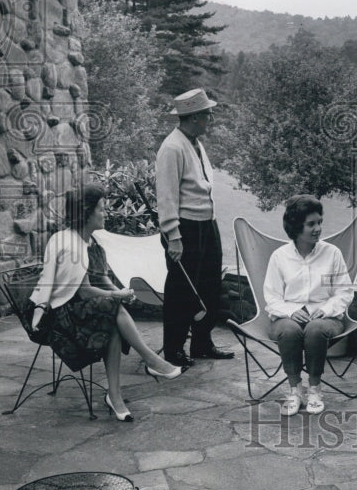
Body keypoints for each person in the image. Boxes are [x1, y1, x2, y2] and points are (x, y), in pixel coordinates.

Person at [29, 185, 183, 423]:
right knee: (110, 308)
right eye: (101, 209)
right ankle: (150, 361)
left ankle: (116, 395)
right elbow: (84, 290)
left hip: (83, 308)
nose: (106, 213)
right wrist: (115, 297)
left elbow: (100, 280)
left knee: (111, 315)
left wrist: (120, 292)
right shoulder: (68, 243)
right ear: (86, 212)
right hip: (58, 315)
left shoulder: (92, 244)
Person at [155, 88, 235, 367]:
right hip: (185, 229)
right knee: (180, 292)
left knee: (211, 285)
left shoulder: (195, 143)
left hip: (206, 225)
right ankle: (174, 349)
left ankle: (202, 342)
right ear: (193, 118)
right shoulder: (172, 147)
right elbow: (166, 197)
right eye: (206, 114)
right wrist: (173, 237)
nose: (210, 118)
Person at [263, 195, 354, 416]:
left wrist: (328, 310)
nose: (318, 229)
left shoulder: (332, 253)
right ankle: (295, 390)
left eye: (319, 222)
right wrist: (290, 312)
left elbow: (344, 291)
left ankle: (314, 389)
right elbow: (272, 296)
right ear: (296, 226)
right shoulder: (280, 257)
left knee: (315, 330)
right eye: (311, 224)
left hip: (326, 318)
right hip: (287, 316)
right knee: (288, 330)